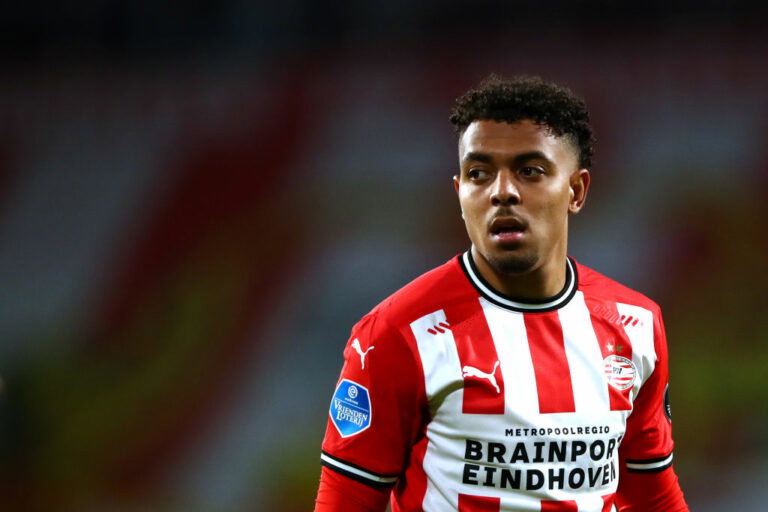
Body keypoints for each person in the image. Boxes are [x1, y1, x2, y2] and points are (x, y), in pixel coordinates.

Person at [313, 75, 689, 512]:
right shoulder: (397, 333)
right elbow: (347, 502)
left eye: (529, 171)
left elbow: (651, 495)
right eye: (479, 173)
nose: (502, 192)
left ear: (577, 190)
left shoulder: (636, 324)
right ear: (459, 194)